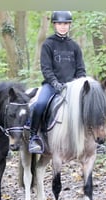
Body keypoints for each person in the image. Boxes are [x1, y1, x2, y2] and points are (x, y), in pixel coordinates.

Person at [28, 11, 86, 154]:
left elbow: (80, 70)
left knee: (88, 104)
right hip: (52, 86)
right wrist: (55, 83)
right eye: (60, 23)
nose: (62, 26)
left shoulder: (74, 46)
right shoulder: (48, 44)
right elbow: (46, 68)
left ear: (69, 25)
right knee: (40, 104)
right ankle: (33, 136)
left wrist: (79, 85)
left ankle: (92, 140)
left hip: (71, 87)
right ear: (54, 24)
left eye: (65, 24)